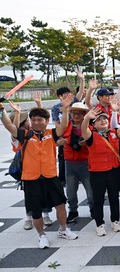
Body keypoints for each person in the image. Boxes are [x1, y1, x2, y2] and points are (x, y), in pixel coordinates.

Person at [1, 103, 78, 249]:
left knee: (60, 205)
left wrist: (66, 109)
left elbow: (63, 126)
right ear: (30, 121)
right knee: (35, 210)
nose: (36, 122)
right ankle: (42, 235)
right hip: (31, 178)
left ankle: (63, 229)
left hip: (50, 176)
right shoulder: (25, 134)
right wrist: (2, 110)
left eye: (40, 120)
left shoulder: (51, 133)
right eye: (34, 120)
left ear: (46, 121)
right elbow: (9, 126)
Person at [81, 105, 120, 236]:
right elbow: (83, 130)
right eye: (99, 120)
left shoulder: (113, 132)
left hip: (113, 170)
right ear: (94, 124)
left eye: (105, 119)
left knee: (114, 197)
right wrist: (87, 118)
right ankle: (99, 223)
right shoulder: (91, 135)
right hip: (97, 172)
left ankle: (115, 221)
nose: (103, 121)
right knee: (98, 199)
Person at [59, 102, 94, 223]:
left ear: (84, 115)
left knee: (90, 191)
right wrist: (61, 142)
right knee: (71, 192)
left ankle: (93, 210)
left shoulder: (90, 127)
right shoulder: (65, 126)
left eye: (80, 113)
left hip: (86, 162)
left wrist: (87, 143)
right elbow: (58, 138)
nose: (77, 116)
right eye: (74, 113)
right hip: (70, 163)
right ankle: (73, 211)